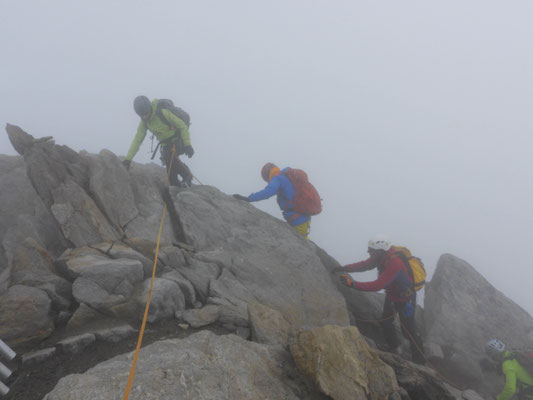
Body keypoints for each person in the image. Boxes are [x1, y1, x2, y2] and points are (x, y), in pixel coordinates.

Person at [334, 234, 426, 365]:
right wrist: (345, 268)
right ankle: (395, 347)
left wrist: (352, 284)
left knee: (408, 330)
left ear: (380, 250)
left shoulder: (395, 262)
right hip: (392, 295)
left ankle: (420, 360)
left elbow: (377, 285)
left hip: (405, 299)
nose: (368, 252)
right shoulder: (381, 257)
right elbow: (364, 265)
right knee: (386, 321)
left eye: (371, 250)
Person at [123, 95, 194, 187]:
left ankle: (187, 176)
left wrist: (188, 144)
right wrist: (128, 159)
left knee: (169, 156)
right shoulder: (144, 122)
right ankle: (178, 188)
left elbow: (182, 126)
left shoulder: (162, 113)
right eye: (141, 115)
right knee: (170, 173)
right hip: (165, 145)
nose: (145, 117)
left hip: (178, 140)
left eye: (146, 113)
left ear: (149, 108)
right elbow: (138, 140)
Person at [233, 163, 312, 239]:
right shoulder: (286, 175)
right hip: (303, 217)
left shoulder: (278, 178)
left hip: (298, 220)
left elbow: (268, 192)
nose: (268, 182)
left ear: (267, 176)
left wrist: (249, 198)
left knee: (296, 247)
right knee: (303, 240)